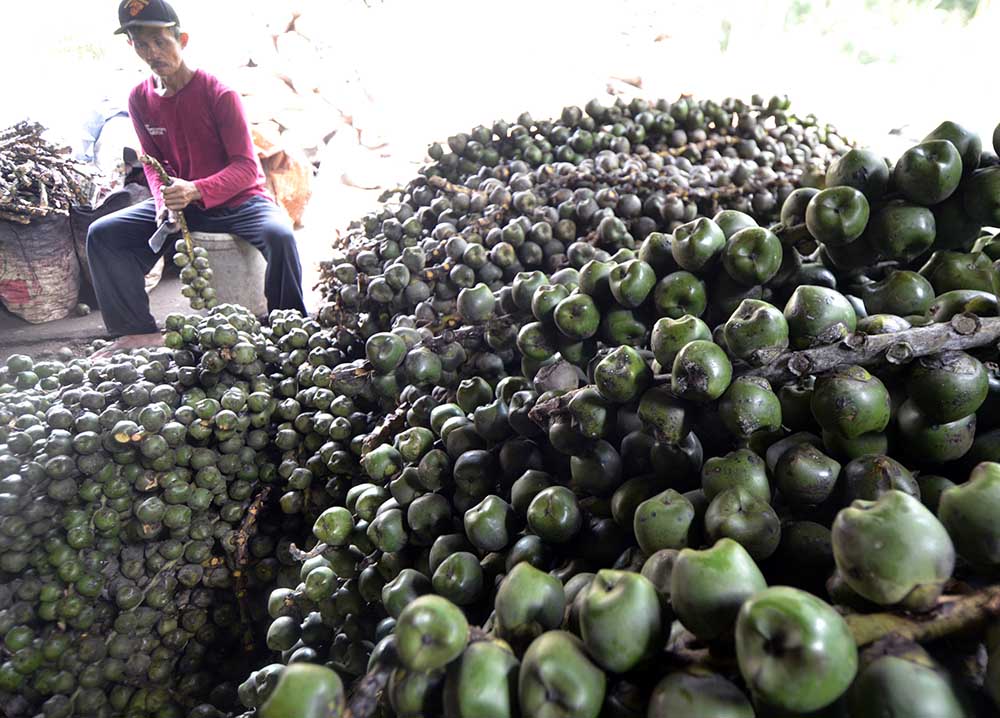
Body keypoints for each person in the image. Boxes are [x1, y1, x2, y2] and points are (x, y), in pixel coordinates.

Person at [88, 0, 308, 356]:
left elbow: (246, 169)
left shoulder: (219, 94)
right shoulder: (139, 99)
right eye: (141, 44)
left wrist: (195, 189)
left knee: (281, 236)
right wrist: (163, 205)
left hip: (239, 200)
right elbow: (152, 164)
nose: (152, 53)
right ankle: (136, 332)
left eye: (161, 42)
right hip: (182, 203)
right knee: (104, 235)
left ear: (182, 39)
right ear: (132, 47)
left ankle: (288, 328)